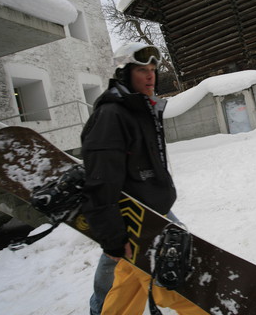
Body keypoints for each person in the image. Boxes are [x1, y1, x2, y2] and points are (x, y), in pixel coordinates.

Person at [80, 43, 205, 315]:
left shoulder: (141, 109)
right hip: (133, 211)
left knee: (126, 268)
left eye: (152, 70)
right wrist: (111, 234)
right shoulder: (112, 115)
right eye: (141, 71)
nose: (150, 76)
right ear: (125, 74)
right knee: (129, 260)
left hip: (152, 205)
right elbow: (101, 178)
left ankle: (103, 310)